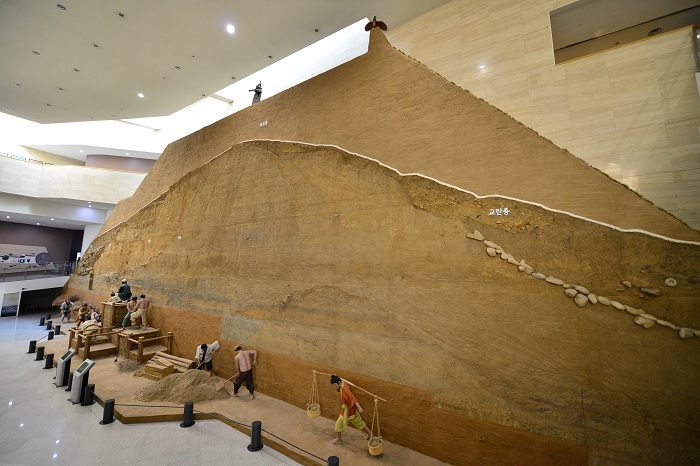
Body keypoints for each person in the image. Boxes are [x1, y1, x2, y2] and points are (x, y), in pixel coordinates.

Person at [330, 374, 372, 444]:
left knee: (338, 424)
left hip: (348, 411)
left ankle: (338, 439)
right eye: (333, 385)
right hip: (352, 410)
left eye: (335, 385)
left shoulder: (345, 390)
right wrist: (334, 376)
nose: (335, 387)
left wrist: (359, 407)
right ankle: (370, 435)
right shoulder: (342, 383)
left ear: (339, 382)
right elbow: (339, 379)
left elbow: (353, 398)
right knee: (360, 423)